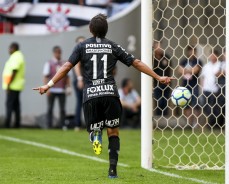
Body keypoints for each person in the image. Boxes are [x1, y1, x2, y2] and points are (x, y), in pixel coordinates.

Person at [33, 14, 172, 178]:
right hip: (110, 94)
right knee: (113, 132)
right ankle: (112, 171)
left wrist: (48, 85)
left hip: (91, 95)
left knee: (94, 126)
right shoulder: (113, 46)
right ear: (106, 30)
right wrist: (158, 77)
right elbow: (136, 62)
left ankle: (95, 132)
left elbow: (66, 66)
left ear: (90, 30)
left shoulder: (81, 46)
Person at [43, 46, 71, 129]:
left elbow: (68, 76)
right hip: (52, 89)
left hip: (61, 89)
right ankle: (49, 125)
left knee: (62, 109)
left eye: (60, 52)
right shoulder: (49, 63)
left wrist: (69, 87)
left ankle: (62, 125)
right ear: (54, 53)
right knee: (50, 108)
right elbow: (45, 76)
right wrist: (46, 88)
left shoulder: (64, 63)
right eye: (57, 52)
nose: (59, 54)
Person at [178, 45, 203, 127]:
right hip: (185, 85)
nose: (192, 53)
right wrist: (189, 71)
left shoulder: (198, 61)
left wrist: (186, 70)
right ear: (188, 52)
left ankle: (196, 123)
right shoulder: (184, 61)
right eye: (190, 51)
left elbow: (195, 71)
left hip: (194, 85)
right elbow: (179, 70)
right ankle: (188, 123)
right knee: (186, 104)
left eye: (193, 51)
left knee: (195, 104)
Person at [2, 42, 25, 128]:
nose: (9, 50)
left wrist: (8, 84)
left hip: (13, 86)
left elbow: (14, 71)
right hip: (15, 85)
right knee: (16, 105)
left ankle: (8, 124)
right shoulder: (17, 56)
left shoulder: (16, 56)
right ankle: (17, 124)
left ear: (14, 48)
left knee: (10, 105)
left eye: (10, 48)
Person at [201, 50, 221, 128]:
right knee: (206, 107)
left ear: (217, 56)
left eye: (214, 55)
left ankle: (214, 124)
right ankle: (210, 122)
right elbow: (202, 77)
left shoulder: (220, 65)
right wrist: (202, 88)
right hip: (206, 89)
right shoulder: (206, 66)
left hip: (215, 90)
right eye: (211, 55)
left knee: (215, 108)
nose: (212, 57)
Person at [153, 41, 171, 116]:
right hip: (156, 84)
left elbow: (170, 70)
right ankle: (158, 119)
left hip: (166, 84)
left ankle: (165, 121)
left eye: (160, 46)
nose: (160, 48)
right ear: (154, 48)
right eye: (158, 46)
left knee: (165, 102)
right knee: (159, 102)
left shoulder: (166, 57)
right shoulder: (151, 59)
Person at [73, 36, 86, 131]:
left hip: (84, 79)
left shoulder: (83, 52)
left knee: (84, 102)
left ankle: (80, 123)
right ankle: (77, 124)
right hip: (81, 80)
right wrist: (80, 79)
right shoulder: (78, 52)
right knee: (80, 102)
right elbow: (77, 66)